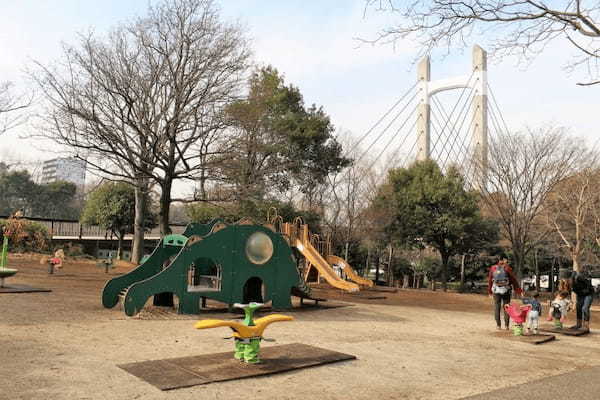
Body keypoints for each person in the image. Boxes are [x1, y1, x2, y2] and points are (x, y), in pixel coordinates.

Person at [488, 257, 522, 330]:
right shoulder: (507, 268)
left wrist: (490, 292)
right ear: (503, 260)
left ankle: (498, 325)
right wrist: (519, 291)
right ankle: (506, 326)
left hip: (496, 290)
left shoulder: (493, 268)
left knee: (497, 307)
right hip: (506, 290)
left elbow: (490, 280)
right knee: (506, 307)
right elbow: (513, 280)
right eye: (506, 260)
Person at [571, 267, 594, 331]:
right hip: (581, 294)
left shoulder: (583, 279)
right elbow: (575, 292)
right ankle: (578, 324)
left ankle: (586, 326)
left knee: (585, 308)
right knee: (578, 307)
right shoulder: (573, 284)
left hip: (588, 294)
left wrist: (585, 291)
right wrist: (574, 303)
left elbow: (589, 287)